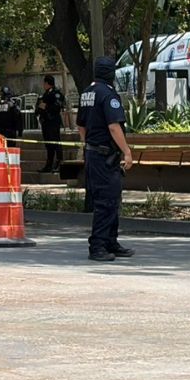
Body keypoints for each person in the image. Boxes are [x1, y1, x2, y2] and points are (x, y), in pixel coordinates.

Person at [77, 56, 135, 262]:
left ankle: (111, 241)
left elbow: (81, 125)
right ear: (111, 74)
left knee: (110, 198)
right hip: (104, 156)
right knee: (107, 201)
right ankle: (98, 245)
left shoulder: (87, 93)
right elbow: (113, 126)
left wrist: (88, 144)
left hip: (93, 153)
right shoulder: (108, 94)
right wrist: (126, 151)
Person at [36, 75, 66, 172]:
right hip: (45, 122)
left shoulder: (56, 94)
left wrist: (46, 107)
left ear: (47, 83)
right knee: (49, 144)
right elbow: (39, 107)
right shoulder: (44, 94)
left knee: (56, 142)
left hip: (53, 121)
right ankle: (49, 165)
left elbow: (57, 106)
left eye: (44, 83)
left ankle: (59, 163)